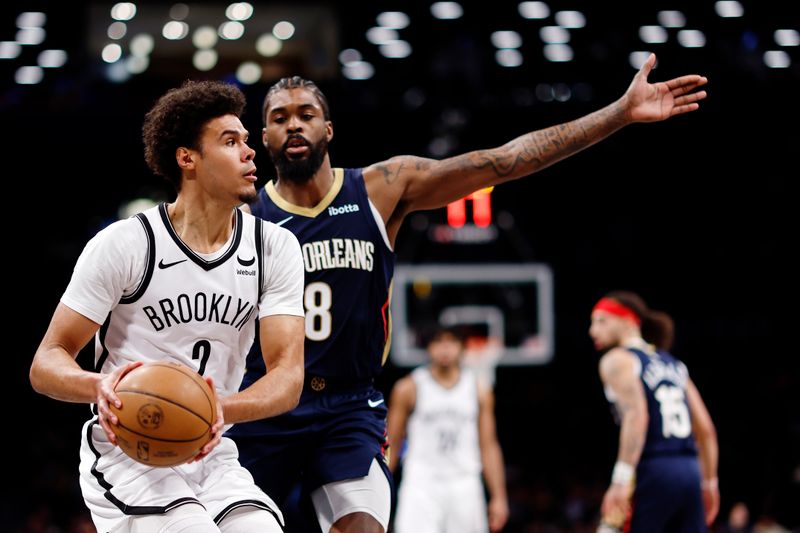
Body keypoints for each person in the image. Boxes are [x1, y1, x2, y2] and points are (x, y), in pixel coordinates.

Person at [228, 52, 709, 533]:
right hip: (268, 406)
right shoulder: (244, 221)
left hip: (348, 410)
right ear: (264, 136)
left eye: (306, 115)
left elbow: (502, 162)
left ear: (328, 130)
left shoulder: (380, 189)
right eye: (279, 118)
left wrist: (620, 113)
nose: (294, 126)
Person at [29, 80, 306, 533]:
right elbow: (45, 362)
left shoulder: (275, 248)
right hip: (128, 452)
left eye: (248, 141)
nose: (250, 153)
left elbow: (288, 377)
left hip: (210, 451)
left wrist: (222, 409)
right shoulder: (125, 244)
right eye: (230, 141)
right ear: (187, 158)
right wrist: (99, 386)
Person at [588, 291, 719, 532]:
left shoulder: (617, 360)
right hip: (690, 470)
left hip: (654, 469)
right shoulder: (673, 363)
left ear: (628, 321)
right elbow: (707, 430)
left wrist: (621, 480)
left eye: (601, 321)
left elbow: (637, 416)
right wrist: (709, 482)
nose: (593, 330)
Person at [386, 326, 509, 533]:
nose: (445, 348)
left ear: (462, 347)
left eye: (451, 342)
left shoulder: (479, 389)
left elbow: (488, 445)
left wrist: (499, 497)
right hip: (421, 483)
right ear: (429, 348)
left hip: (465, 483)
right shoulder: (408, 387)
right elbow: (392, 443)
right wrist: (381, 492)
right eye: (438, 342)